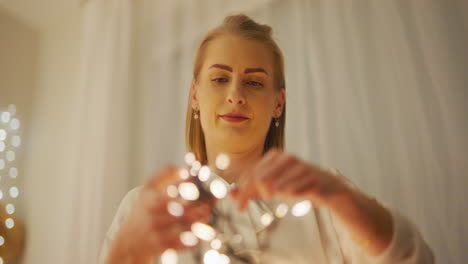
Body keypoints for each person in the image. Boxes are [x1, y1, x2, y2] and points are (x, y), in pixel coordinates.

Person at [99, 14, 434, 264]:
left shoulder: (323, 203)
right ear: (195, 95)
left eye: (255, 82)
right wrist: (123, 253)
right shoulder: (144, 209)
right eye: (219, 79)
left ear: (278, 102)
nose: (235, 95)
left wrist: (339, 195)